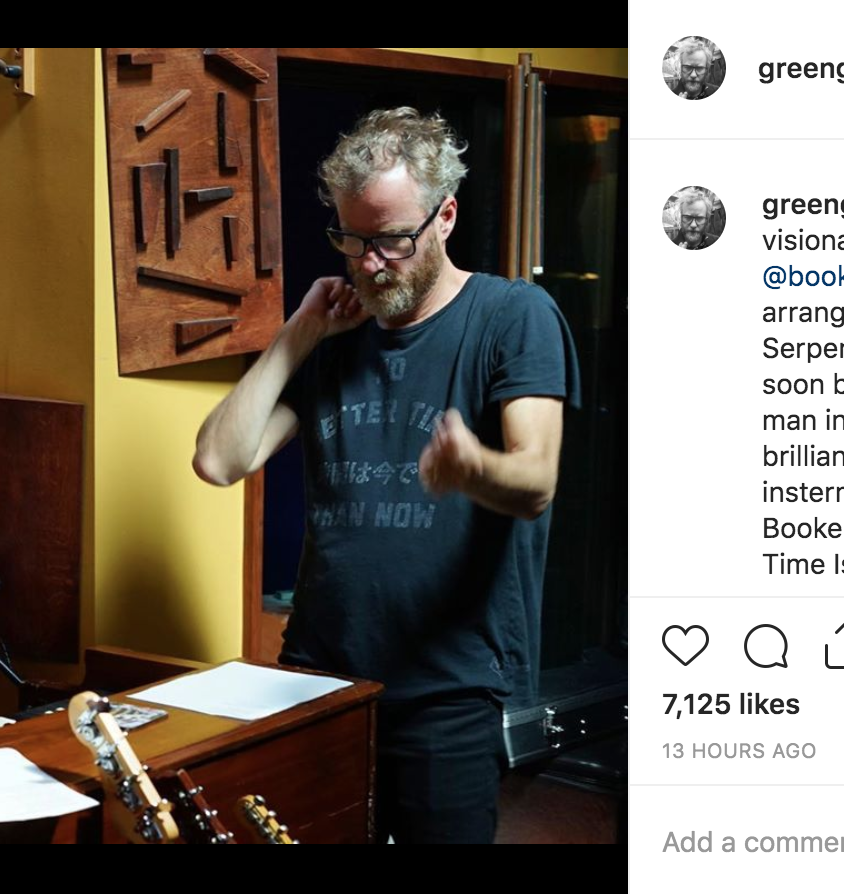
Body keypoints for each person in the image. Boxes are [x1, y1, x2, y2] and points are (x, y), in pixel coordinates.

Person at [192, 108, 579, 843]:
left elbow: (536, 481)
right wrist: (299, 332)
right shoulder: (335, 339)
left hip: (447, 691)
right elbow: (219, 460)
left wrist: (473, 466)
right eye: (353, 239)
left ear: (445, 217)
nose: (370, 263)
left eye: (393, 239)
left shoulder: (512, 316)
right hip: (317, 678)